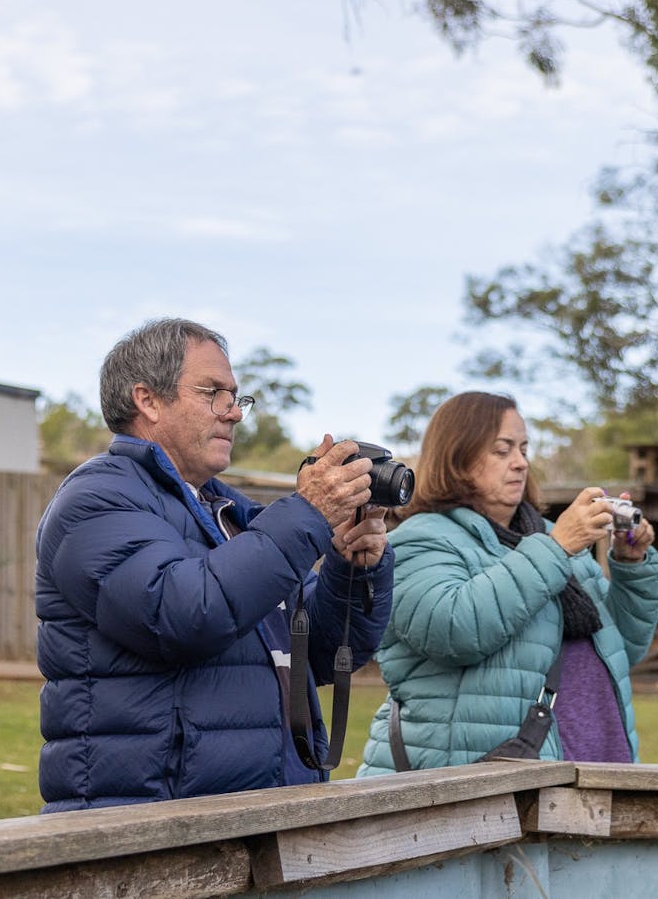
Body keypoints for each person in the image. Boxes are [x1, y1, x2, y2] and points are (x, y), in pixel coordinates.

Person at [35, 317, 392, 811]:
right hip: (149, 824)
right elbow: (186, 613)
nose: (234, 414)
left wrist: (350, 567)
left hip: (252, 816)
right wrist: (307, 514)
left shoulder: (227, 511)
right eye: (213, 393)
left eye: (236, 397)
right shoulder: (97, 500)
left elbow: (321, 654)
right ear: (148, 400)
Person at [358, 391, 658, 775]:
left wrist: (631, 563)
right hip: (474, 791)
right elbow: (454, 630)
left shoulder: (549, 537)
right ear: (458, 457)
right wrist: (556, 549)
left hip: (592, 766)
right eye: (502, 451)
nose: (520, 463)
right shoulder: (419, 539)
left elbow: (623, 649)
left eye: (523, 449)